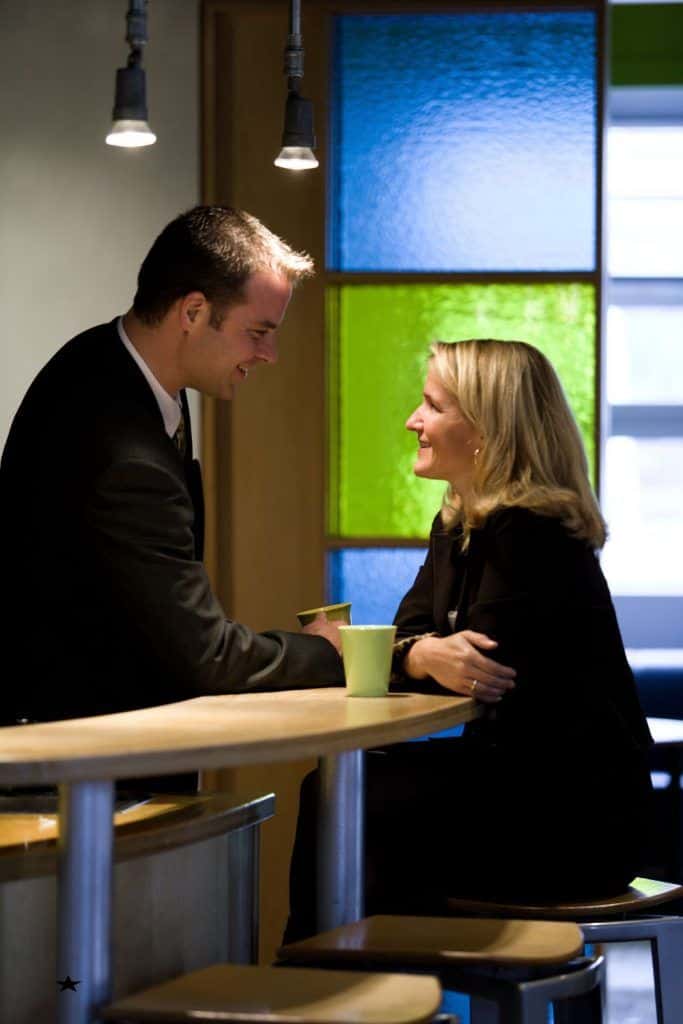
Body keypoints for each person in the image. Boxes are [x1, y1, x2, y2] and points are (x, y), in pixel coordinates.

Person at [285, 337, 653, 940]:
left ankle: (334, 970)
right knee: (344, 790)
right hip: (519, 786)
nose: (414, 421)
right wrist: (422, 654)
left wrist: (409, 654)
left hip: (579, 815)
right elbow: (414, 637)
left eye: (433, 406)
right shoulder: (460, 521)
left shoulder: (530, 532)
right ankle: (349, 969)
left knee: (353, 798)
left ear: (486, 429)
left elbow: (480, 669)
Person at [0, 205, 342, 738]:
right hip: (77, 751)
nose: (270, 354)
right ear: (193, 312)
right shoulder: (122, 450)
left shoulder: (105, 360)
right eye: (258, 332)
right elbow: (205, 656)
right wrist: (324, 651)